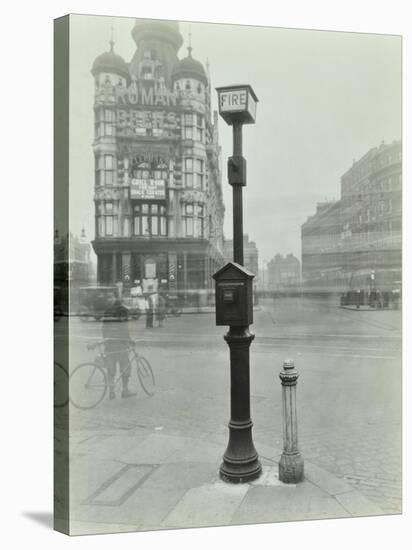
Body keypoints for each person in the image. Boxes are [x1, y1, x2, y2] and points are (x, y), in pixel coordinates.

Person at [102, 292, 135, 399]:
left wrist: (105, 339)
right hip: (120, 344)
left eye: (110, 297)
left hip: (110, 344)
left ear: (115, 298)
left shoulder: (107, 310)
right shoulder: (123, 310)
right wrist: (129, 340)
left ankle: (113, 392)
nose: (108, 299)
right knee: (124, 367)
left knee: (111, 369)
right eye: (107, 297)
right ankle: (124, 391)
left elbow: (104, 327)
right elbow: (124, 327)